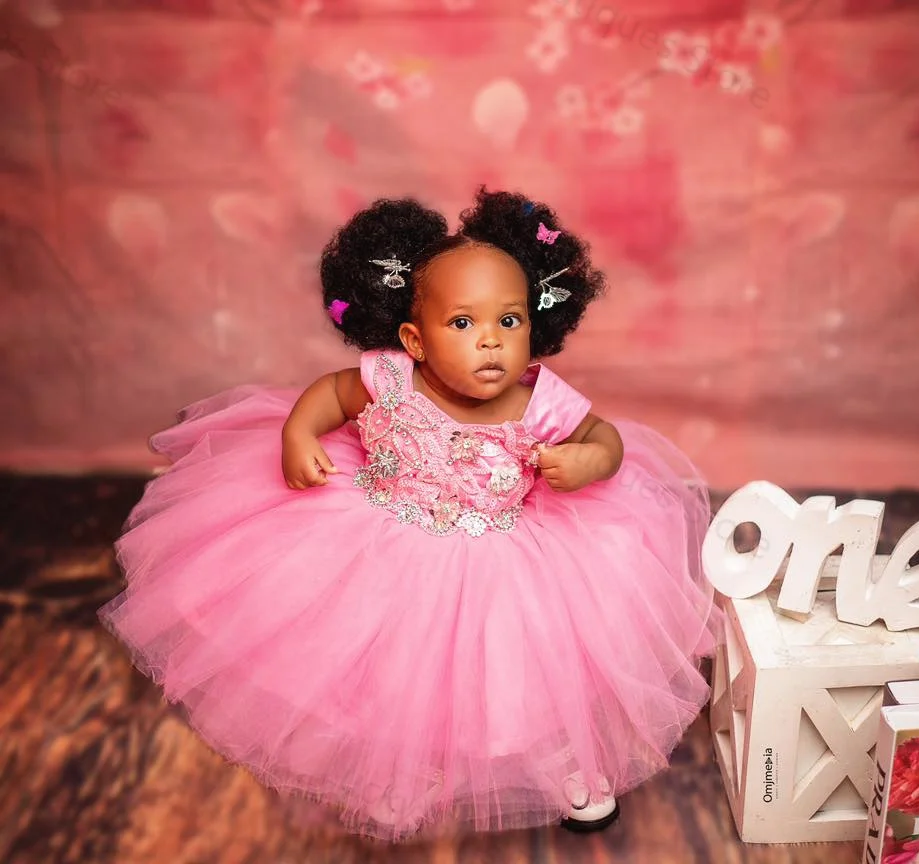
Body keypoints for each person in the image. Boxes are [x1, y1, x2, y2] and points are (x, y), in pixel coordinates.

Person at [99, 187, 721, 841]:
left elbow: (605, 437)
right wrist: (299, 436)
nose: (489, 342)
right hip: (387, 535)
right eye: (463, 324)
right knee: (391, 671)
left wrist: (590, 462)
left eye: (508, 322)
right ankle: (401, 767)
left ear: (534, 327)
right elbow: (330, 395)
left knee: (529, 673)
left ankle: (566, 764)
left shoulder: (542, 399)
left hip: (510, 555)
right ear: (414, 339)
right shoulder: (392, 378)